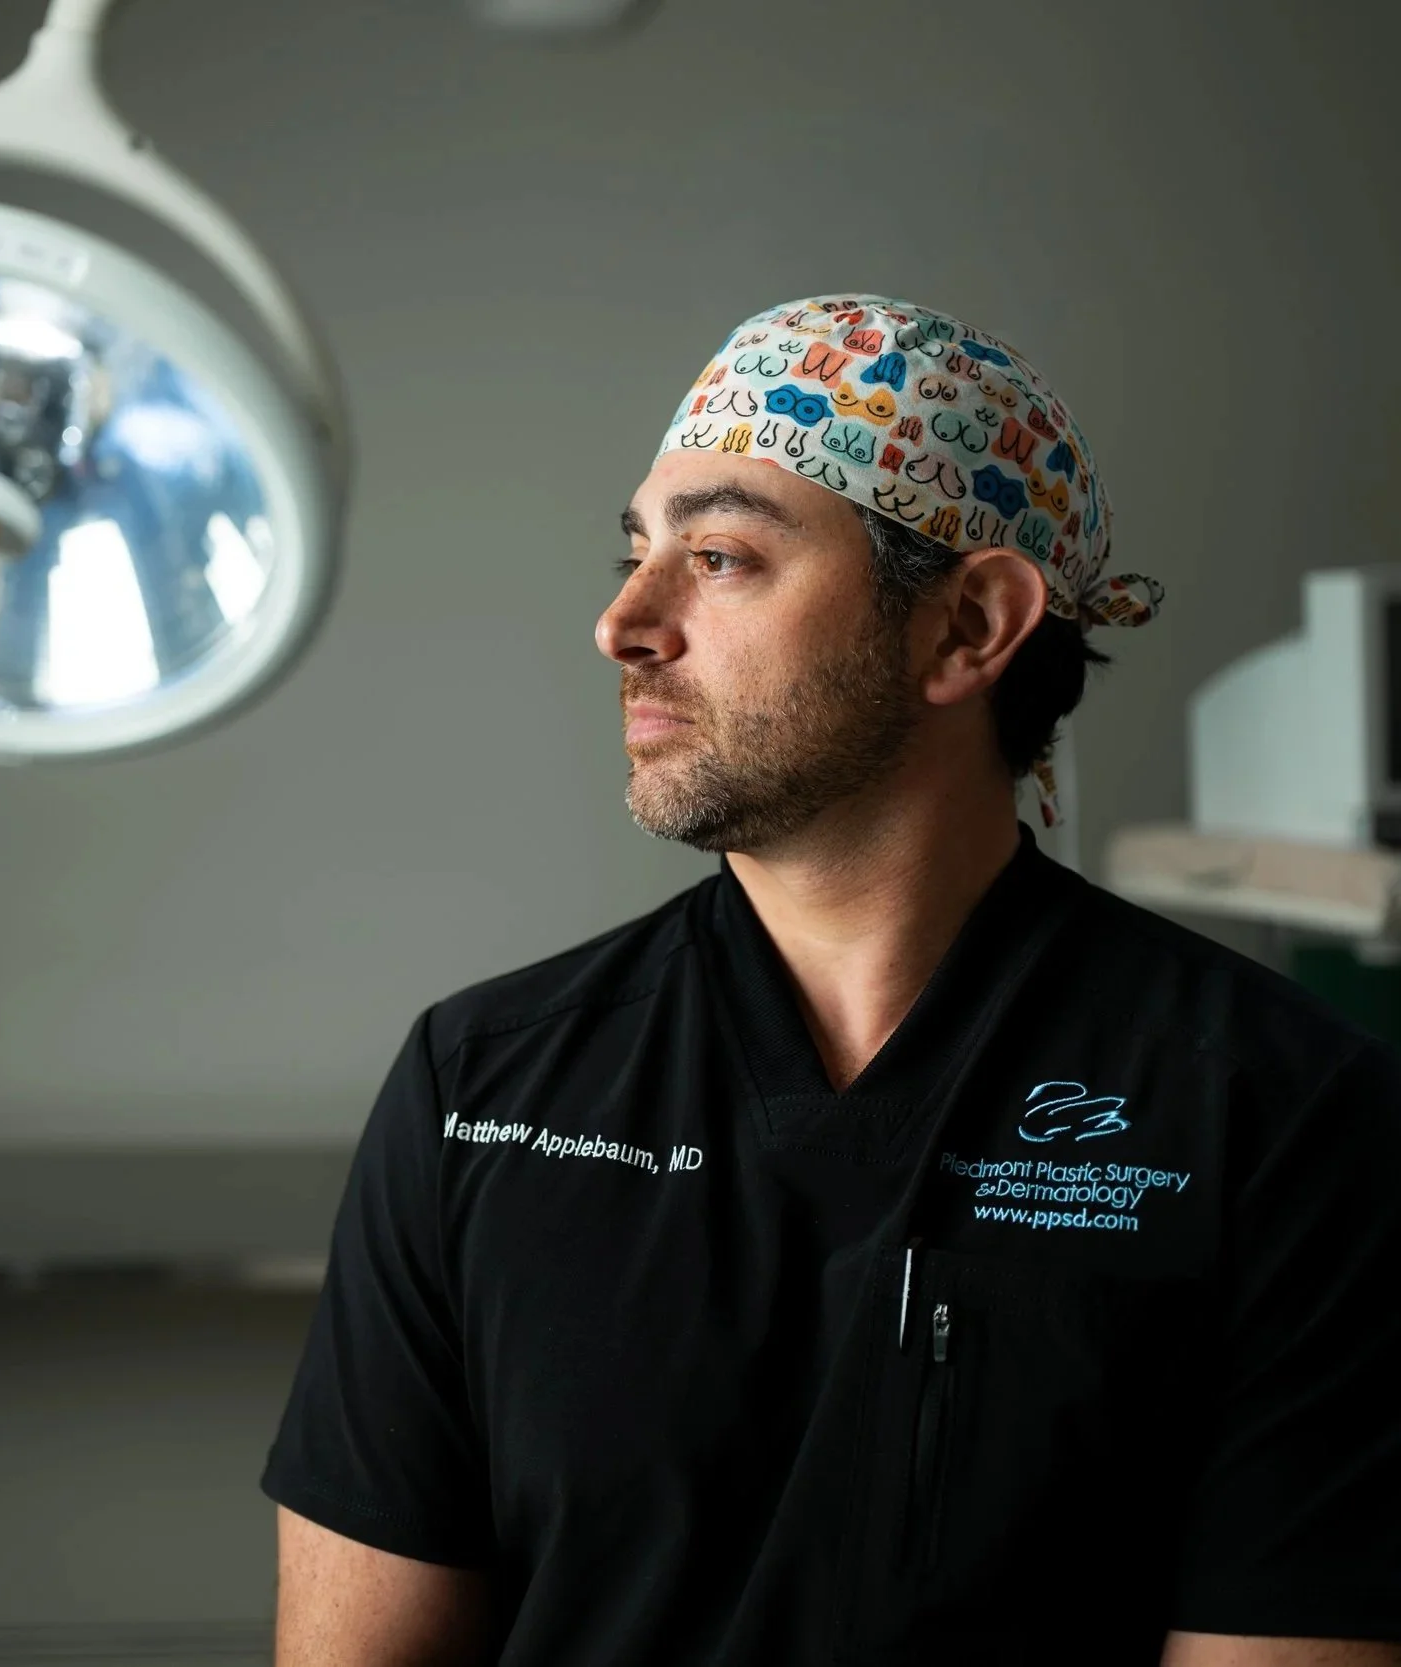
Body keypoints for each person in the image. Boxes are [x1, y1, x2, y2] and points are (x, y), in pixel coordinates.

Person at [260, 294, 1401, 1665]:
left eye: (722, 557)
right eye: (636, 552)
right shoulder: (481, 1088)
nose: (624, 621)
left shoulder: (1277, 1116)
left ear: (966, 628)